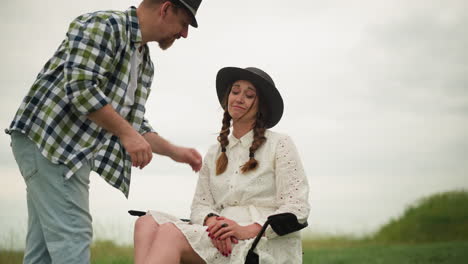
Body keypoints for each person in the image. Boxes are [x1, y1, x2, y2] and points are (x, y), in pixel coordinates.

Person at [6, 0, 203, 263]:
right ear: (165, 9)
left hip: (67, 153)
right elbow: (81, 86)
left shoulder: (143, 62)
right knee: (73, 236)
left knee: (42, 251)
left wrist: (175, 152)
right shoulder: (106, 26)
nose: (184, 34)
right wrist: (127, 134)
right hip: (52, 145)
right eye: (184, 23)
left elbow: (133, 124)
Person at [133, 66, 310, 263]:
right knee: (145, 222)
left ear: (262, 107)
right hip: (220, 237)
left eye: (249, 95)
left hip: (261, 240)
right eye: (235, 92)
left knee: (170, 232)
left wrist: (243, 230)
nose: (239, 98)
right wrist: (216, 226)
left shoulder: (280, 144)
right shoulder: (214, 152)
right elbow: (201, 205)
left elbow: (297, 207)